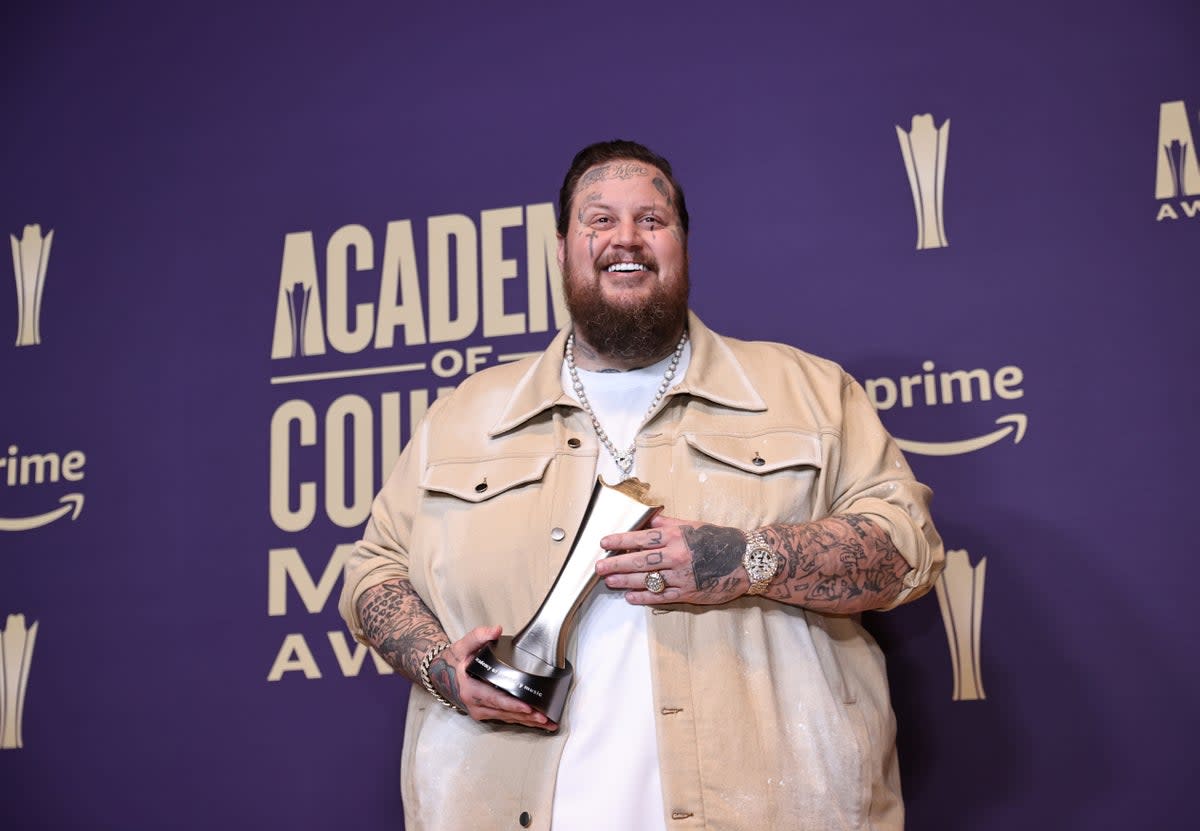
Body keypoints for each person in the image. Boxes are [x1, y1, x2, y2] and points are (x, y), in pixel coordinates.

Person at [338, 139, 944, 830]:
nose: (625, 237)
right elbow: (373, 572)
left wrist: (748, 558)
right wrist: (440, 666)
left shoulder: (810, 394)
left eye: (652, 220)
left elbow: (905, 550)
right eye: (599, 219)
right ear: (562, 246)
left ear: (684, 243)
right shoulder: (464, 416)